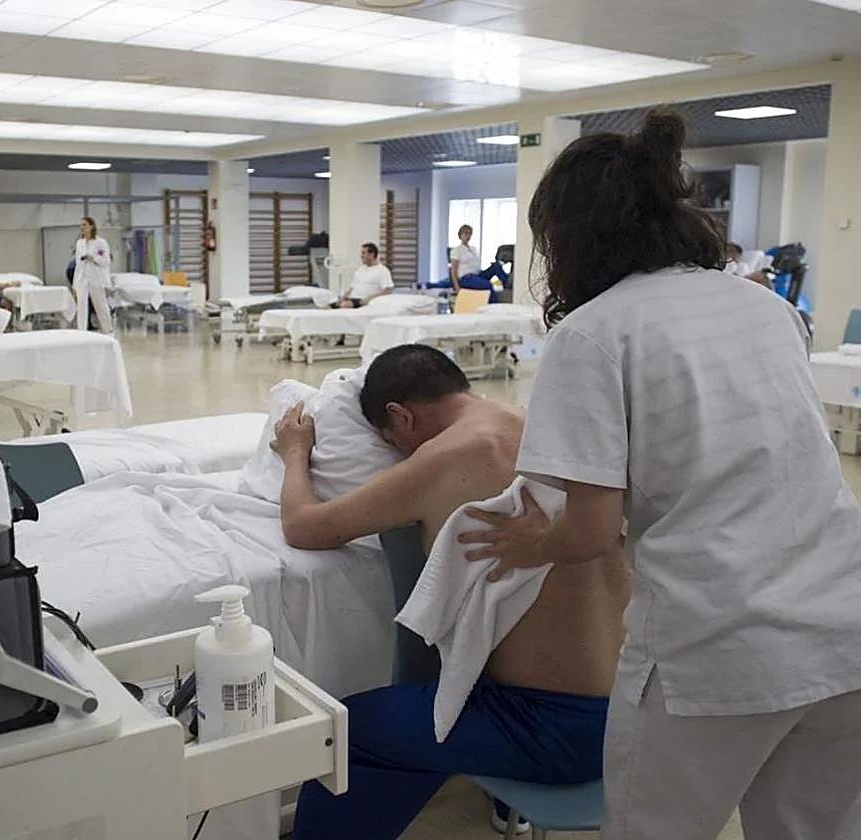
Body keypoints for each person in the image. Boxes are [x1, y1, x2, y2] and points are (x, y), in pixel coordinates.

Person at [458, 110, 861, 840]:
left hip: (718, 644)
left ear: (567, 236)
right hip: (842, 622)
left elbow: (590, 531)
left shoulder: (594, 334)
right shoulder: (770, 308)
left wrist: (531, 543)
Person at [273, 344, 629, 840]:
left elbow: (304, 526)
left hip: (559, 730)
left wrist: (294, 453)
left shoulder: (447, 457)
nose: (398, 452)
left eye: (390, 440)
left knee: (346, 734)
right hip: (634, 707)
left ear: (401, 416)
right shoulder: (537, 427)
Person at [72, 216, 113, 334]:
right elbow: (78, 264)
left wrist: (93, 258)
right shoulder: (79, 243)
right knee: (81, 305)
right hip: (82, 278)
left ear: (91, 226)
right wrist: (75, 283)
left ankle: (108, 329)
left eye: (84, 225)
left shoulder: (100, 242)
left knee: (100, 304)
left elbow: (106, 260)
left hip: (96, 277)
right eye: (81, 225)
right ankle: (82, 331)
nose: (82, 227)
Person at [450, 224, 509, 302]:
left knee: (496, 266)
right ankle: (494, 306)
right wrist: (457, 289)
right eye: (466, 233)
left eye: (470, 233)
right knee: (488, 284)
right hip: (466, 278)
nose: (468, 236)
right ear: (460, 235)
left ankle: (508, 284)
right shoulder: (456, 251)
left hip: (478, 275)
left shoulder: (473, 249)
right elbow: (453, 272)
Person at [330, 242, 393, 309]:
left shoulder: (382, 270)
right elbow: (352, 288)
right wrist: (342, 298)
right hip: (351, 299)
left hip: (362, 300)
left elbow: (388, 291)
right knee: (326, 307)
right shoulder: (360, 269)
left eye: (363, 253)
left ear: (372, 254)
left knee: (345, 305)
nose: (361, 255)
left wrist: (369, 298)